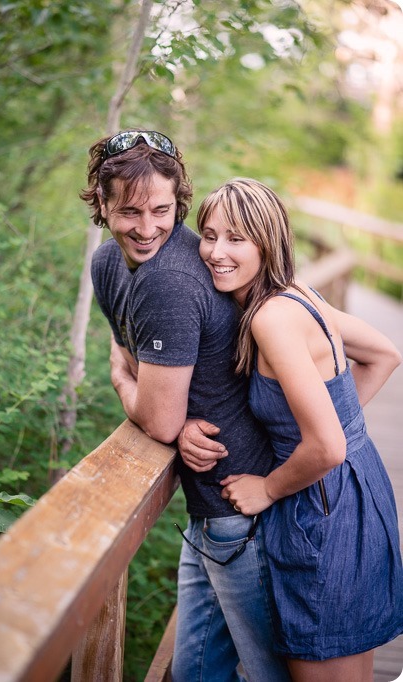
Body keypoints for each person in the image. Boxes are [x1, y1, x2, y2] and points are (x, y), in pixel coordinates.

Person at [80, 130, 291, 681]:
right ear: (101, 203)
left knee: (269, 671)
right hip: (210, 508)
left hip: (241, 504)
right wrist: (150, 398)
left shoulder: (170, 278)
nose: (146, 229)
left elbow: (154, 408)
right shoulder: (108, 264)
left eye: (162, 210)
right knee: (197, 670)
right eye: (128, 211)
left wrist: (124, 384)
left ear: (180, 200)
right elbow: (134, 357)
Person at [196, 176, 403, 682]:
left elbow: (327, 446)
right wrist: (341, 425)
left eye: (236, 238)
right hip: (357, 491)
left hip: (320, 509)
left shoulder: (272, 319)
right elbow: (384, 354)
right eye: (208, 234)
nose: (216, 251)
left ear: (267, 244)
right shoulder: (298, 293)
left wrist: (268, 486)